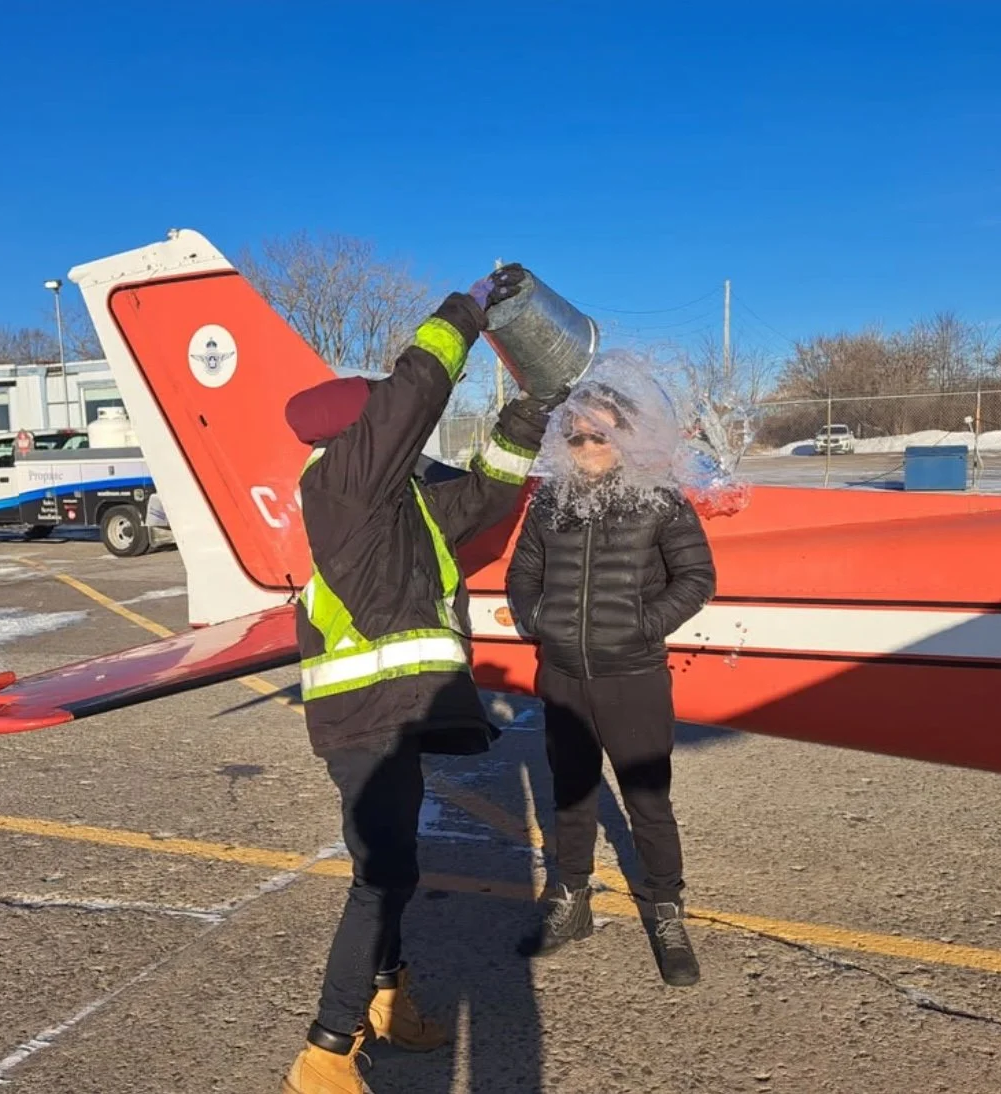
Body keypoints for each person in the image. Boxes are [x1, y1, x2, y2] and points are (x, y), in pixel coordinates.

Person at [279, 265, 559, 1094]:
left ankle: (390, 1005)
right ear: (363, 436)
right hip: (362, 719)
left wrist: (533, 408)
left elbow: (489, 492)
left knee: (393, 864)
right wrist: (466, 314)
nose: (406, 439)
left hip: (390, 716)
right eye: (388, 427)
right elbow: (412, 395)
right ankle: (323, 1053)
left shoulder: (402, 510)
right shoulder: (344, 487)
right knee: (382, 875)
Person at [504, 374, 716, 987]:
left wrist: (646, 624)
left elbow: (697, 577)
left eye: (598, 434)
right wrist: (540, 622)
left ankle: (667, 911)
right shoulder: (550, 501)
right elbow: (524, 575)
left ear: (623, 435)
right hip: (565, 674)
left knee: (647, 802)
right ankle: (571, 901)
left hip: (633, 676)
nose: (586, 445)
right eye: (574, 436)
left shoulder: (658, 498)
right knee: (571, 795)